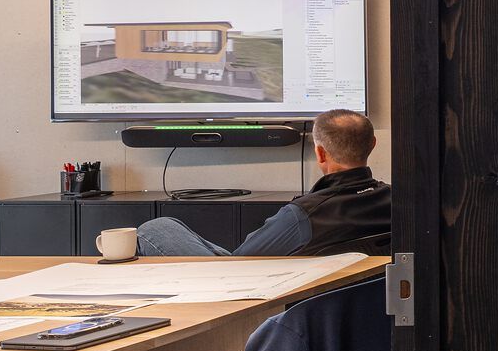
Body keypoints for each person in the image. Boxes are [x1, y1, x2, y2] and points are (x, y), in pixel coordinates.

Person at [136, 109, 392, 257]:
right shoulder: (397, 201)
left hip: (251, 297)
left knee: (156, 229)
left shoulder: (303, 216)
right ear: (372, 145)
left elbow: (242, 262)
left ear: (321, 153)